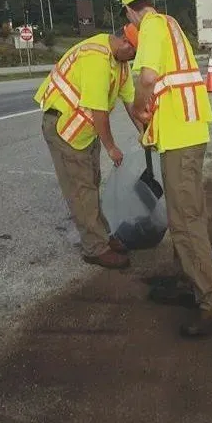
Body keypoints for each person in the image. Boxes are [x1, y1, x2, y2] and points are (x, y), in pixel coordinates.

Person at [120, 0, 212, 338]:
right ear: (150, 1)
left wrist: (139, 107)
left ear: (129, 12)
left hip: (181, 137)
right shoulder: (171, 24)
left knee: (185, 221)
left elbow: (148, 77)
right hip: (188, 132)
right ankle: (188, 279)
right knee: (187, 213)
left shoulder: (151, 27)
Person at [34, 24, 141, 270]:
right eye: (134, 54)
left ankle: (102, 234)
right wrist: (111, 147)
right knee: (82, 190)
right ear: (126, 42)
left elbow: (131, 104)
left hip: (83, 131)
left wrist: (147, 134)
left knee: (91, 183)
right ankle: (95, 248)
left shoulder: (121, 63)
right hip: (65, 129)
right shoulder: (96, 58)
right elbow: (99, 111)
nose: (134, 59)